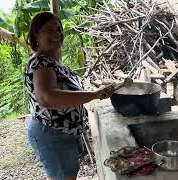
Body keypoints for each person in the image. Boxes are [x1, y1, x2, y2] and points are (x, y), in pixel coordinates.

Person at [23, 12, 115, 180]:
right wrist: (94, 94)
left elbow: (68, 92)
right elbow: (46, 97)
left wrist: (95, 92)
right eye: (49, 30)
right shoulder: (40, 63)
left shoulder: (53, 61)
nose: (56, 34)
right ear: (36, 34)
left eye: (58, 30)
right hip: (52, 133)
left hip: (64, 132)